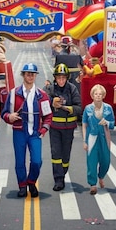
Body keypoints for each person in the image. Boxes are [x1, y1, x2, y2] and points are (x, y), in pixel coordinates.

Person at [1, 63, 52, 198]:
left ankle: (31, 181)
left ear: (35, 76)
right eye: (28, 74)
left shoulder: (42, 95)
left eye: (32, 74)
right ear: (23, 75)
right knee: (19, 161)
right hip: (19, 132)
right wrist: (9, 117)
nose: (30, 76)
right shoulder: (13, 94)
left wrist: (43, 130)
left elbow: (48, 116)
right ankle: (22, 186)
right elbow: (4, 113)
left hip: (35, 133)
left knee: (37, 161)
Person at [47, 63, 82, 191]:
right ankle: (58, 179)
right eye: (58, 78)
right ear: (55, 78)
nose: (61, 80)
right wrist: (52, 103)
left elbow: (79, 108)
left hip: (68, 128)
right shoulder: (50, 89)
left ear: (67, 78)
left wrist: (67, 108)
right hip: (55, 128)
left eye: (63, 78)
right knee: (56, 153)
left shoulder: (72, 89)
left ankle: (63, 171)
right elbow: (42, 104)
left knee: (65, 155)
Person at [82, 84, 114, 195]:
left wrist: (107, 123)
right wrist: (84, 141)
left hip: (104, 137)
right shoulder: (87, 108)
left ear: (103, 95)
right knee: (91, 161)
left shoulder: (108, 108)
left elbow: (113, 124)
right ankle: (93, 184)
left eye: (100, 94)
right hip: (92, 137)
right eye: (96, 94)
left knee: (106, 160)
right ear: (92, 95)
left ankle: (101, 176)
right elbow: (84, 124)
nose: (98, 96)